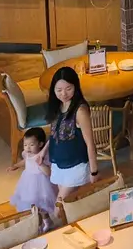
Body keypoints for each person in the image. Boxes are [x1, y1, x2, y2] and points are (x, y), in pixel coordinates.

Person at [45, 67, 99, 206]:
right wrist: (42, 152)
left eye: (68, 89)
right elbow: (55, 133)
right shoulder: (58, 106)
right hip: (59, 163)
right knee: (69, 204)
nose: (63, 94)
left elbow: (90, 143)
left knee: (59, 206)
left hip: (76, 165)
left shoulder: (80, 111)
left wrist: (94, 171)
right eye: (59, 90)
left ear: (76, 86)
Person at [7, 127, 58, 230]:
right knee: (33, 206)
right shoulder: (27, 154)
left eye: (31, 145)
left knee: (42, 206)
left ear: (40, 144)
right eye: (25, 145)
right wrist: (16, 166)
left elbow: (48, 172)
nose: (28, 148)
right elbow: (25, 161)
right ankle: (39, 224)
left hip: (42, 184)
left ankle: (47, 222)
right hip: (28, 182)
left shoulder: (43, 156)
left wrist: (41, 164)